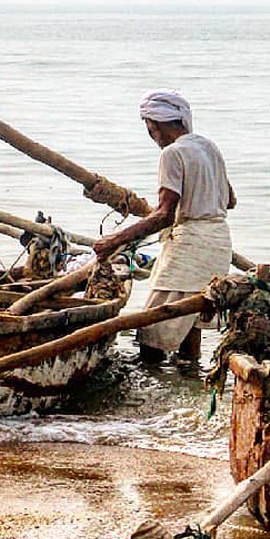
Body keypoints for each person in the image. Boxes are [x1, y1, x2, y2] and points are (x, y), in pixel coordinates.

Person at [93, 90, 235, 363]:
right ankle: (189, 385)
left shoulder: (172, 153)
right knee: (191, 323)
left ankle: (151, 390)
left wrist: (114, 241)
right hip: (219, 243)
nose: (151, 137)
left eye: (150, 129)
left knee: (153, 332)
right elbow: (230, 200)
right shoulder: (209, 147)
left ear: (157, 125)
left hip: (190, 247)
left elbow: (164, 215)